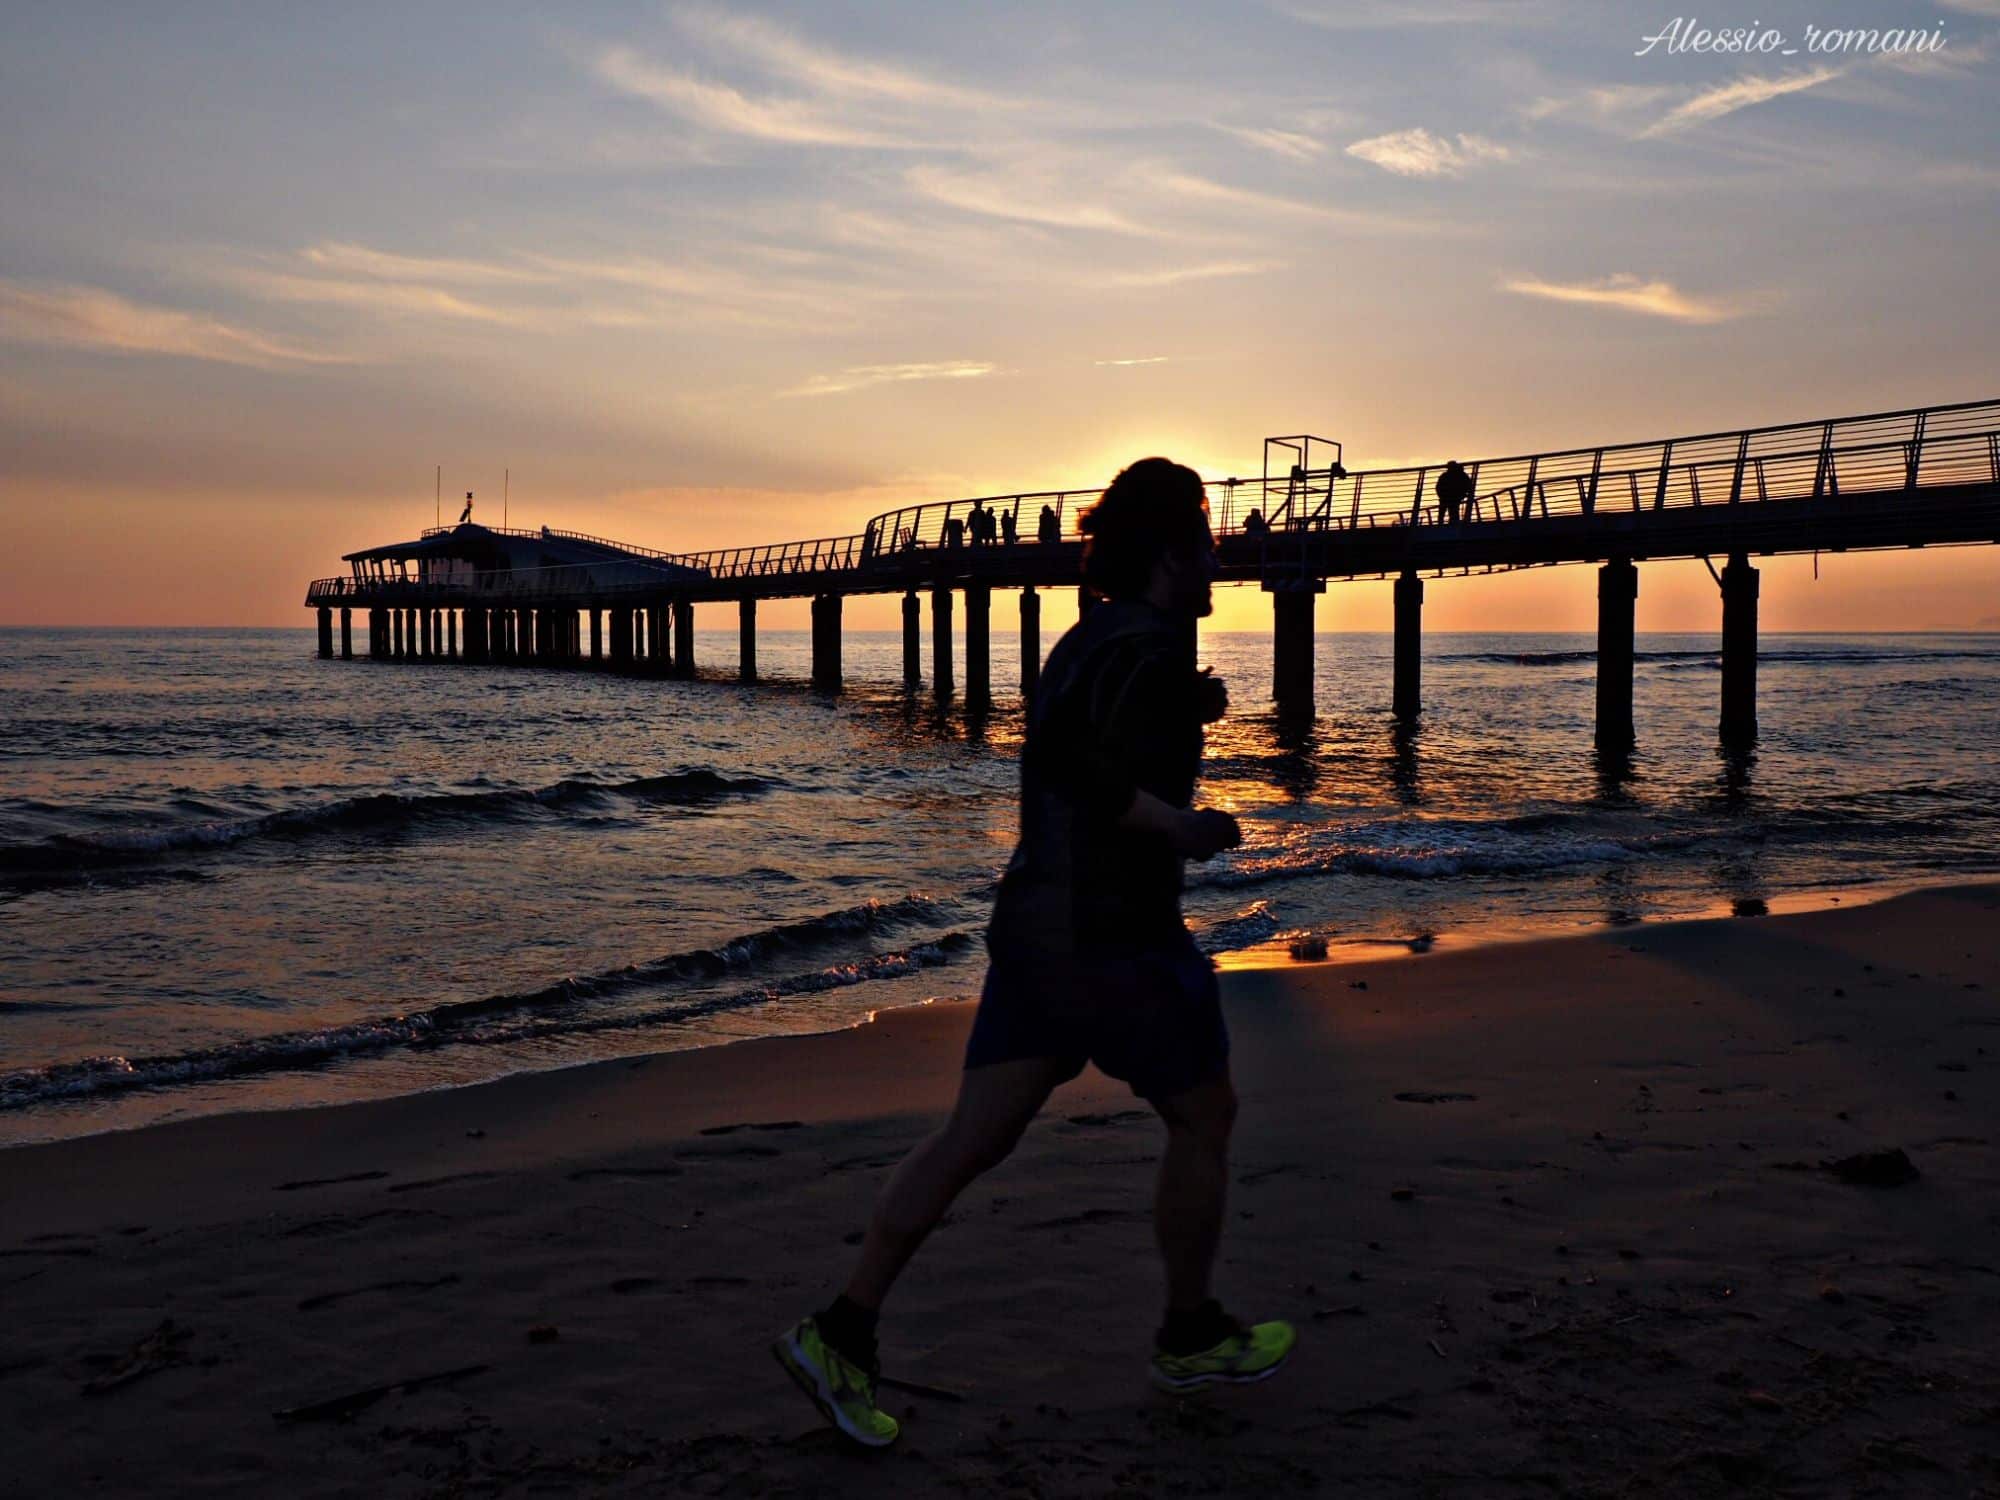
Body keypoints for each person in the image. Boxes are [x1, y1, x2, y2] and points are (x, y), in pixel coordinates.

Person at [773, 457, 1295, 1449]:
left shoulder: (1092, 642)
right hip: (1112, 938)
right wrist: (1175, 827)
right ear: (1173, 553)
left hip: (1037, 933)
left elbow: (1081, 731)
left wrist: (1185, 712)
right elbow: (1063, 761)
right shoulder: (1140, 647)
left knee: (971, 1136)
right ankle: (1186, 1332)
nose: (1217, 559)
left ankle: (838, 1331)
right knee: (1206, 1112)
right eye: (1206, 543)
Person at [1434, 460, 1472, 526]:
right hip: (1454, 497)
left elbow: (1438, 487)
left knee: (1443, 513)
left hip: (1446, 498)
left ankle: (1441, 525)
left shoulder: (1445, 475)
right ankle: (1452, 525)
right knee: (1453, 513)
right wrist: (1464, 494)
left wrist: (1441, 495)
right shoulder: (1462, 475)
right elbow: (1468, 485)